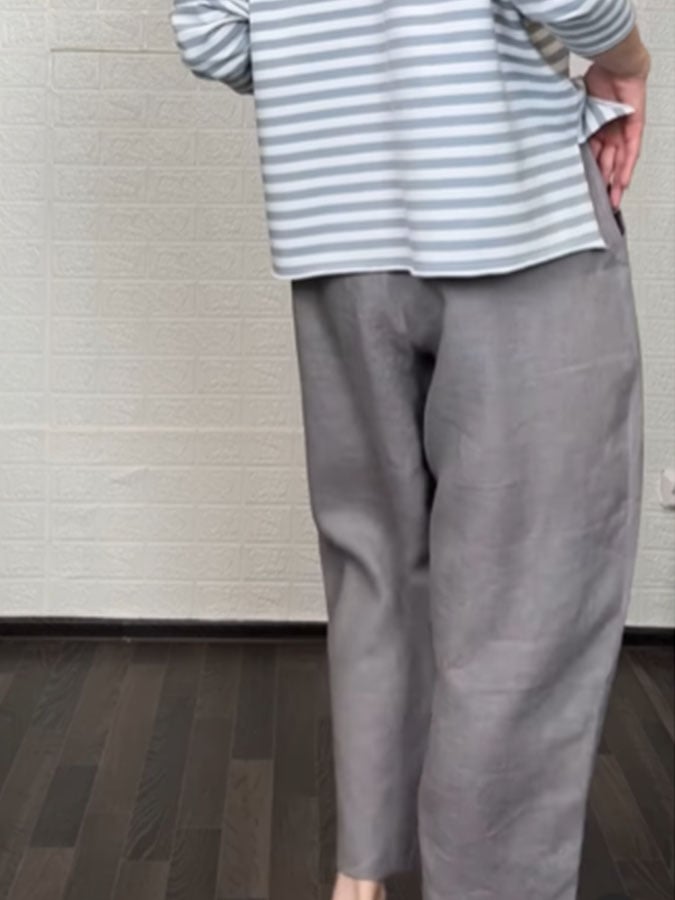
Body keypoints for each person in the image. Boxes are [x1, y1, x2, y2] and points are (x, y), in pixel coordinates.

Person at [170, 3, 650, 899]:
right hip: (510, 214)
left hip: (333, 234)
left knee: (377, 567)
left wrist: (335, 80)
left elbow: (210, 32)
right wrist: (627, 61)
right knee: (526, 598)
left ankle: (363, 872)